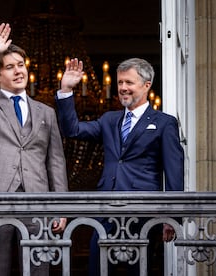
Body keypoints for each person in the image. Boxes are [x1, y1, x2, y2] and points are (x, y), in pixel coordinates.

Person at [55, 57, 184, 275]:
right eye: (120, 82)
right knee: (97, 269)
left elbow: (174, 171)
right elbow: (72, 130)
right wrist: (66, 89)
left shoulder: (164, 122)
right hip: (106, 210)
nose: (123, 88)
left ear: (146, 85)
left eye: (129, 83)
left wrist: (172, 217)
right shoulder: (109, 119)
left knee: (139, 271)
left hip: (143, 212)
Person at [0, 23, 69, 275]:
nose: (18, 71)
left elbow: (56, 163)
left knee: (38, 268)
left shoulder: (47, 112)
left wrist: (62, 207)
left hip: (37, 200)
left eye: (21, 65)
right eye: (10, 67)